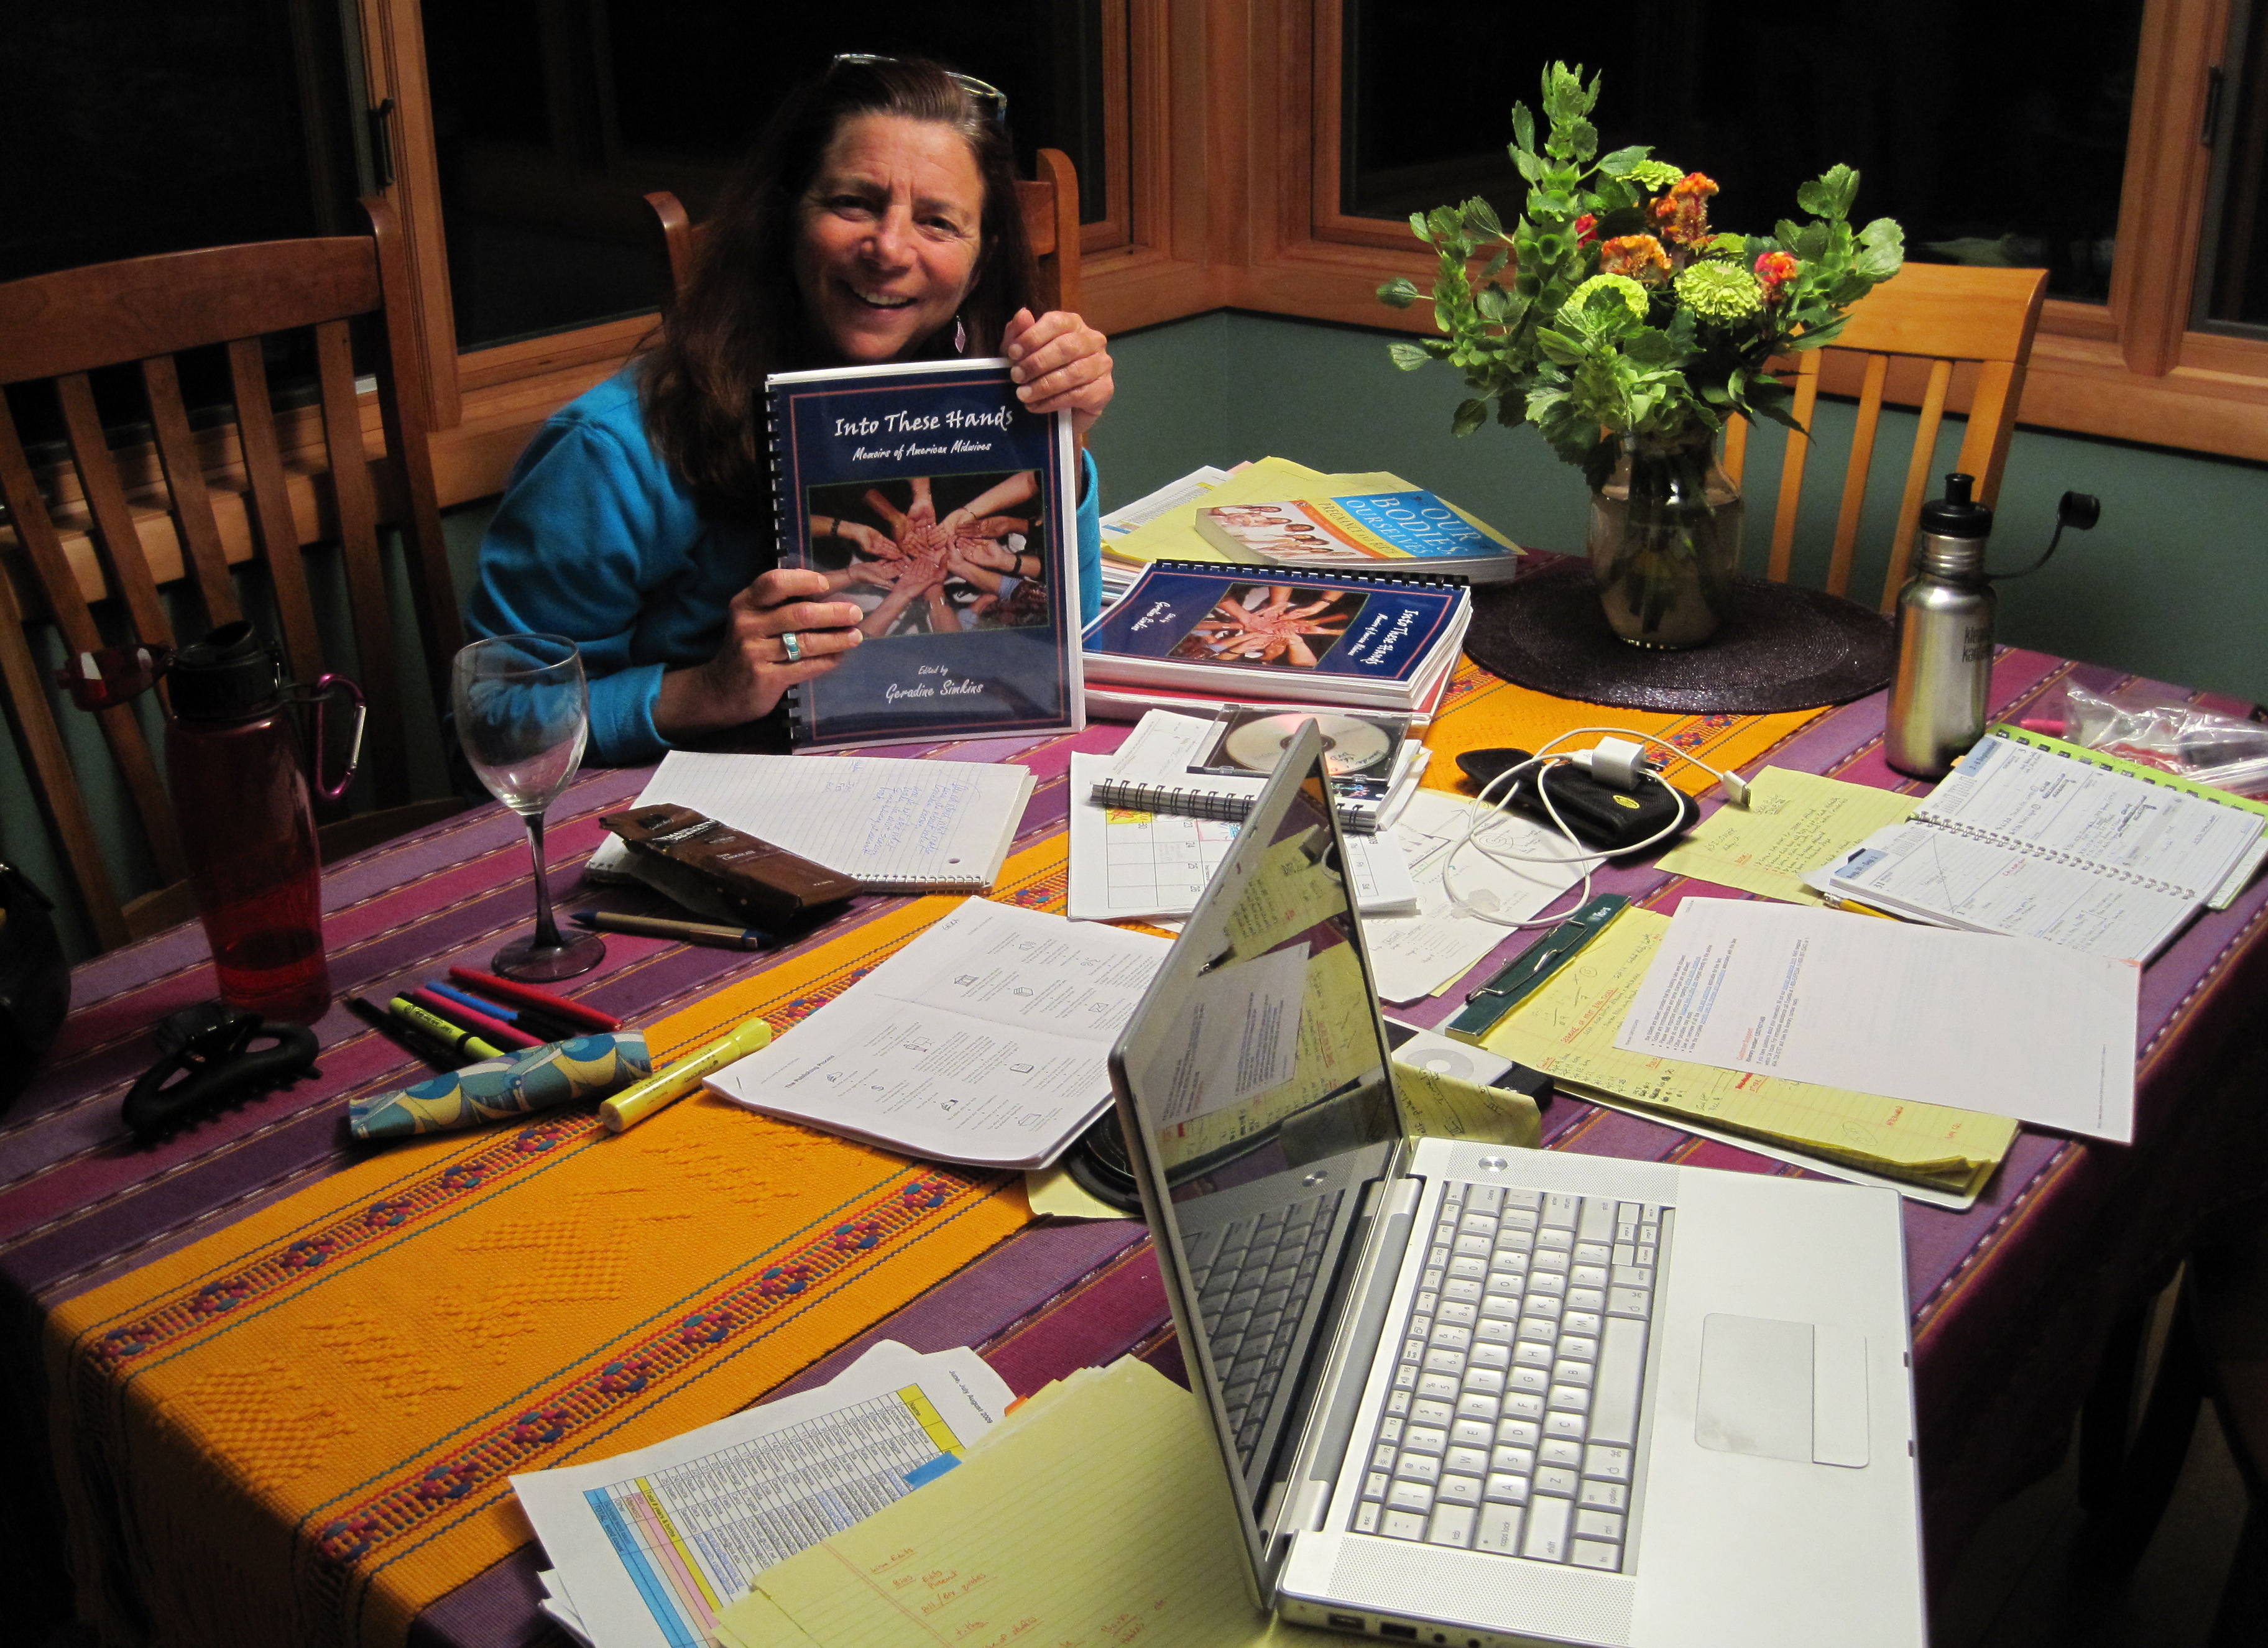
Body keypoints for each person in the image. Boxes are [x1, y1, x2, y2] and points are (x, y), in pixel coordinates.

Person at [465, 56, 1114, 763]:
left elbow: (1063, 654)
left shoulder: (982, 404)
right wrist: (704, 691)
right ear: (785, 220)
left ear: (979, 265)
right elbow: (495, 723)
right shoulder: (610, 450)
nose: (889, 249)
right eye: (854, 203)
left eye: (936, 222)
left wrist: (1059, 444)